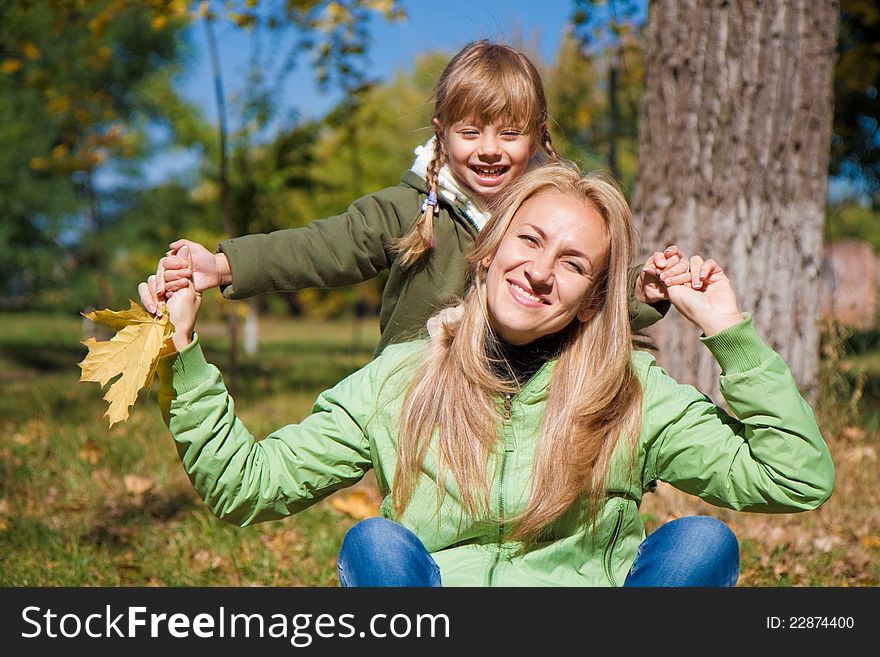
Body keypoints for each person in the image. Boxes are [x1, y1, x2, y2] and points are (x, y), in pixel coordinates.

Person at [146, 161, 834, 587]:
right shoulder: (404, 377)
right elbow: (246, 488)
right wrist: (184, 353)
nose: (540, 270)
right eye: (529, 239)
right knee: (377, 544)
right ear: (489, 247)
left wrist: (729, 333)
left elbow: (795, 477)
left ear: (594, 295)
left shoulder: (630, 392)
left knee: (700, 542)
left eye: (573, 262)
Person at [140, 40, 692, 354]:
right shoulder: (409, 208)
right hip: (417, 394)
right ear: (441, 132)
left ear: (539, 135)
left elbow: (583, 293)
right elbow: (323, 247)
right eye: (470, 133)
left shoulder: (549, 216)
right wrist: (223, 264)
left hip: (521, 398)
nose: (488, 150)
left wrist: (642, 292)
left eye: (509, 132)